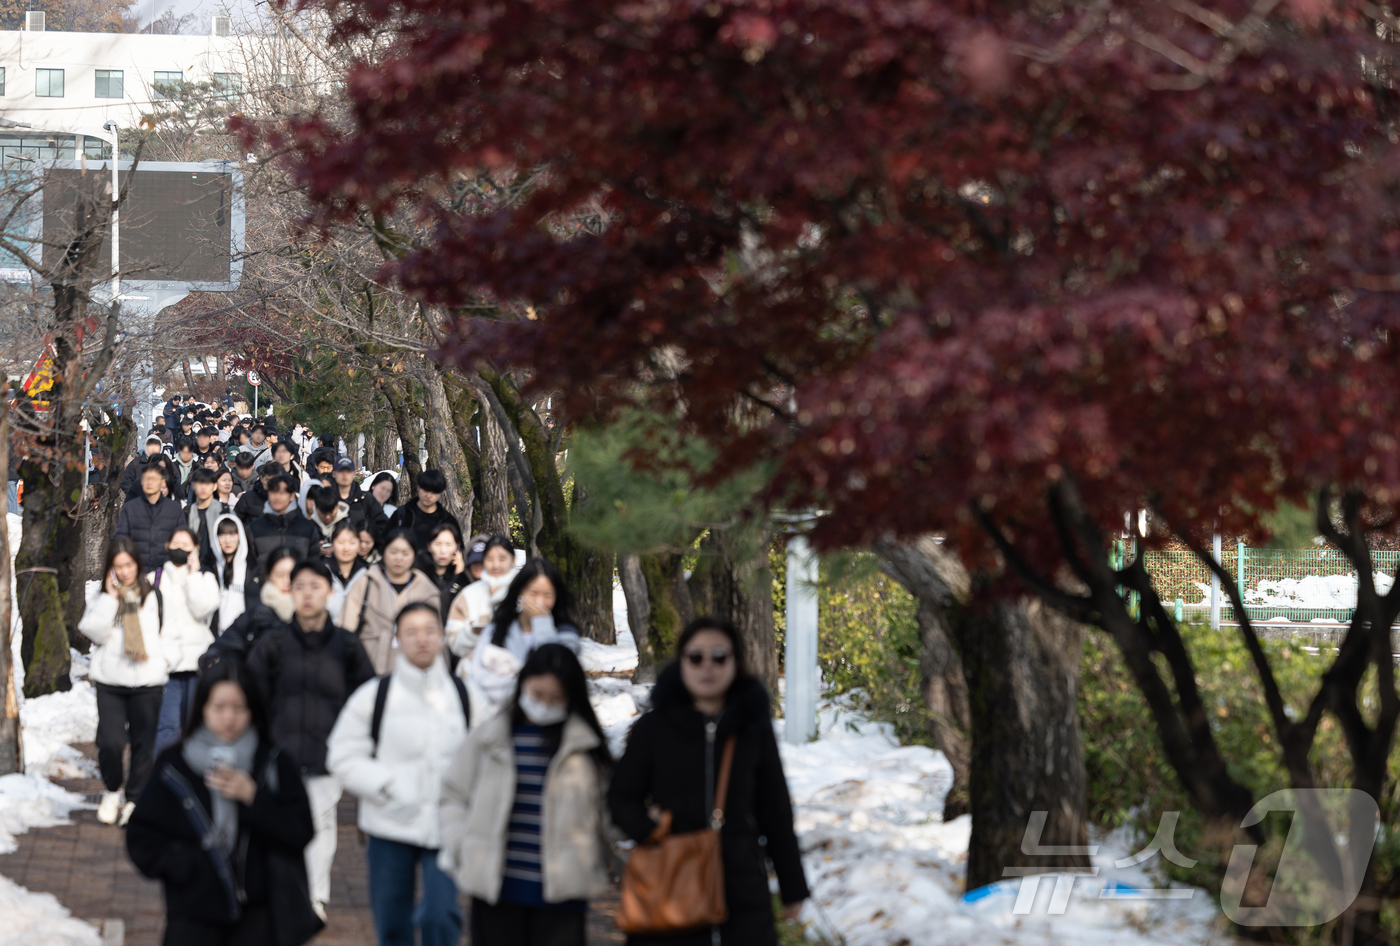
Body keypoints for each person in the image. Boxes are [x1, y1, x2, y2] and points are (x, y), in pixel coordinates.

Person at [608, 618, 810, 946]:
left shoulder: (752, 730)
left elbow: (775, 811)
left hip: (740, 887)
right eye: (696, 657)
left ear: (735, 663)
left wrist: (793, 888)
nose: (707, 667)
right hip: (670, 880)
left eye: (719, 657)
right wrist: (647, 829)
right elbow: (621, 797)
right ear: (682, 661)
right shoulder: (653, 729)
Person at [126, 664, 322, 946]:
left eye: (239, 708)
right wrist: (185, 866)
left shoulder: (272, 762)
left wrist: (255, 799)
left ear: (252, 709)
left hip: (260, 915)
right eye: (219, 707)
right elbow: (142, 837)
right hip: (193, 916)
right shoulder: (175, 765)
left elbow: (301, 830)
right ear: (202, 708)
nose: (229, 718)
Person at [439, 643, 615, 946]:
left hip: (562, 895)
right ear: (523, 685)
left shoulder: (585, 748)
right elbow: (453, 793)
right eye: (537, 694)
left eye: (555, 698)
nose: (544, 705)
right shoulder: (491, 737)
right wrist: (460, 844)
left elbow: (609, 813)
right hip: (496, 888)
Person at [327, 603, 471, 946]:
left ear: (441, 636)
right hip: (389, 823)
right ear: (397, 639)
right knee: (392, 924)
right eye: (411, 631)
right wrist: (387, 785)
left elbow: (488, 758)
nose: (421, 639)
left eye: (429, 630)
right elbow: (342, 755)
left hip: (445, 826)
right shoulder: (374, 696)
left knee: (441, 917)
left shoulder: (466, 696)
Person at [246, 560, 375, 918]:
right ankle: (284, 891)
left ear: (329, 593)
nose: (307, 594)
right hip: (279, 754)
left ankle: (313, 898)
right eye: (300, 586)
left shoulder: (347, 646)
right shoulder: (273, 644)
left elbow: (367, 699)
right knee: (280, 825)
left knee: (319, 825)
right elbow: (251, 696)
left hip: (326, 755)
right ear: (289, 591)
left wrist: (355, 745)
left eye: (316, 586)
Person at [80, 538, 179, 826]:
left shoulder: (155, 597)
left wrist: (164, 662)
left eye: (128, 565)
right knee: (110, 742)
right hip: (111, 680)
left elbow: (171, 636)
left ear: (137, 564)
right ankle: (113, 790)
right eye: (117, 566)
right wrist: (111, 599)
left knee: (143, 745)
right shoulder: (103, 598)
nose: (124, 572)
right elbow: (92, 631)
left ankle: (134, 798)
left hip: (147, 682)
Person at [467, 559, 581, 710]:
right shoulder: (497, 628)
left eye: (548, 595)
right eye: (533, 593)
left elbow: (555, 673)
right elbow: (477, 674)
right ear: (519, 592)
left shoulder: (567, 633)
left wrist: (542, 624)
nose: (539, 602)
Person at [154, 528, 221, 754]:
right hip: (166, 664)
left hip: (197, 664)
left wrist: (193, 575)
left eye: (186, 545)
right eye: (176, 544)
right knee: (167, 726)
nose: (180, 549)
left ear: (196, 549)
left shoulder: (206, 579)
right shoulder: (154, 580)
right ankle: (162, 778)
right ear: (167, 546)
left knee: (194, 726)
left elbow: (202, 610)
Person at [338, 529, 439, 675]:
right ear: (384, 552)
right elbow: (344, 632)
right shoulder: (366, 583)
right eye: (393, 551)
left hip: (414, 670)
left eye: (405, 553)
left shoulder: (427, 590)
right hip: (368, 666)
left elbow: (436, 638)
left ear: (413, 556)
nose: (399, 558)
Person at [202, 547, 297, 676]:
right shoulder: (256, 614)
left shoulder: (315, 614)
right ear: (268, 577)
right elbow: (222, 647)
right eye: (279, 575)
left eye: (292, 575)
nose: (287, 581)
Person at [447, 535, 518, 662]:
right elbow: (453, 642)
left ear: (513, 560)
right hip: (472, 674)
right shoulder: (468, 594)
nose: (496, 565)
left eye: (502, 559)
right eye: (490, 558)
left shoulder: (523, 592)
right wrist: (471, 632)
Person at [115, 463, 187, 570]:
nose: (149, 482)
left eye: (154, 479)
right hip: (137, 570)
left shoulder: (174, 509)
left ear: (162, 482)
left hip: (166, 572)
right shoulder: (130, 508)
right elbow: (121, 540)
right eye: (145, 478)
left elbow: (182, 539)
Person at [247, 475, 321, 570]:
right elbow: (250, 563)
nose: (277, 497)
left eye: (282, 493)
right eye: (273, 492)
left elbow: (314, 562)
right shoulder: (255, 527)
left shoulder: (307, 527)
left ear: (292, 496)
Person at [388, 469, 459, 551]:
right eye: (425, 490)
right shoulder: (401, 515)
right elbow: (384, 543)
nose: (428, 495)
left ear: (440, 493)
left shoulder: (447, 521)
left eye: (434, 492)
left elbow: (457, 551)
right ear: (418, 487)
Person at [420, 523, 469, 623]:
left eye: (449, 544)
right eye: (438, 544)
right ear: (429, 546)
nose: (443, 551)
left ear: (457, 547)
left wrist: (459, 575)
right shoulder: (419, 572)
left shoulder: (465, 574)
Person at [333, 457, 389, 543]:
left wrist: (369, 541)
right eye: (341, 471)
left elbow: (383, 523)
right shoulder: (327, 497)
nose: (344, 475)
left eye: (348, 471)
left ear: (354, 473)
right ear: (334, 474)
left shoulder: (366, 498)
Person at [212, 515, 250, 633]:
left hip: (244, 635)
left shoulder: (252, 569)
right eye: (222, 535)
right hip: (216, 636)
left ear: (240, 536)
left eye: (232, 534)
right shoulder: (210, 568)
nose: (227, 540)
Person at [326, 520, 368, 624]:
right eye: (340, 542)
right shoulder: (322, 572)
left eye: (352, 542)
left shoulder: (367, 574)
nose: (346, 548)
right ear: (332, 544)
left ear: (359, 546)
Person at [185, 468, 226, 571]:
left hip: (219, 566)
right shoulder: (187, 512)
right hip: (191, 566)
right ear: (193, 486)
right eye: (199, 483)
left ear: (215, 486)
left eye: (207, 483)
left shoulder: (224, 511)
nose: (203, 487)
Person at [308, 487, 349, 557]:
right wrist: (315, 549)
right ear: (316, 508)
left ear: (337, 507)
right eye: (323, 514)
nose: (327, 517)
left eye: (331, 513)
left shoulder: (347, 523)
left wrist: (337, 548)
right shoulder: (309, 526)